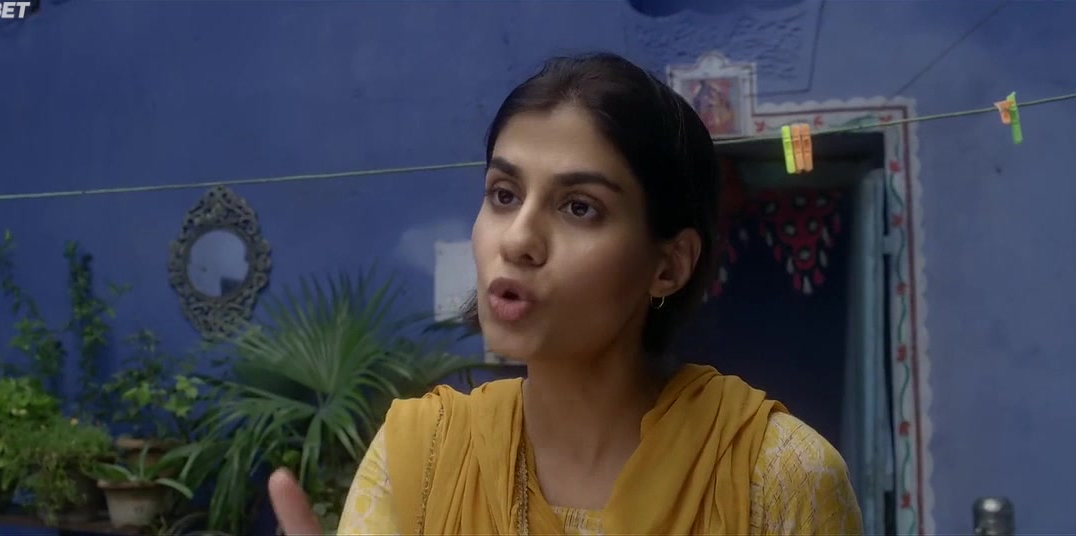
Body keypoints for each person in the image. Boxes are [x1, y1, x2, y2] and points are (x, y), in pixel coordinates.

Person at [269, 52, 863, 535]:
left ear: (668, 265)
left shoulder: (776, 478)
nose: (518, 239)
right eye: (503, 195)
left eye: (579, 207)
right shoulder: (419, 461)